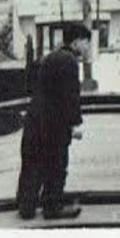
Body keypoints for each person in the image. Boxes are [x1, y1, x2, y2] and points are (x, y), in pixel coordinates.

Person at [15, 22, 89, 220]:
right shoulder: (69, 61)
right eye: (86, 42)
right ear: (77, 41)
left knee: (32, 164)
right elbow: (70, 96)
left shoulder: (50, 57)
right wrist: (75, 124)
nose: (88, 48)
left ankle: (26, 206)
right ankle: (52, 207)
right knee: (56, 164)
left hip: (35, 119)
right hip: (53, 125)